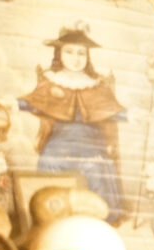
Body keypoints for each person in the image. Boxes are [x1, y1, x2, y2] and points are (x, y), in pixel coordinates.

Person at [8, 25, 127, 223]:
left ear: (87, 56)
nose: (76, 58)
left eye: (81, 53)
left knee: (94, 164)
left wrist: (132, 115)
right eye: (69, 52)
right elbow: (35, 101)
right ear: (59, 54)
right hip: (60, 137)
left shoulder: (96, 84)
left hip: (91, 138)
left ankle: (98, 216)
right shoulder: (52, 80)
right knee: (51, 159)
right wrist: (12, 103)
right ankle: (51, 212)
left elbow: (111, 110)